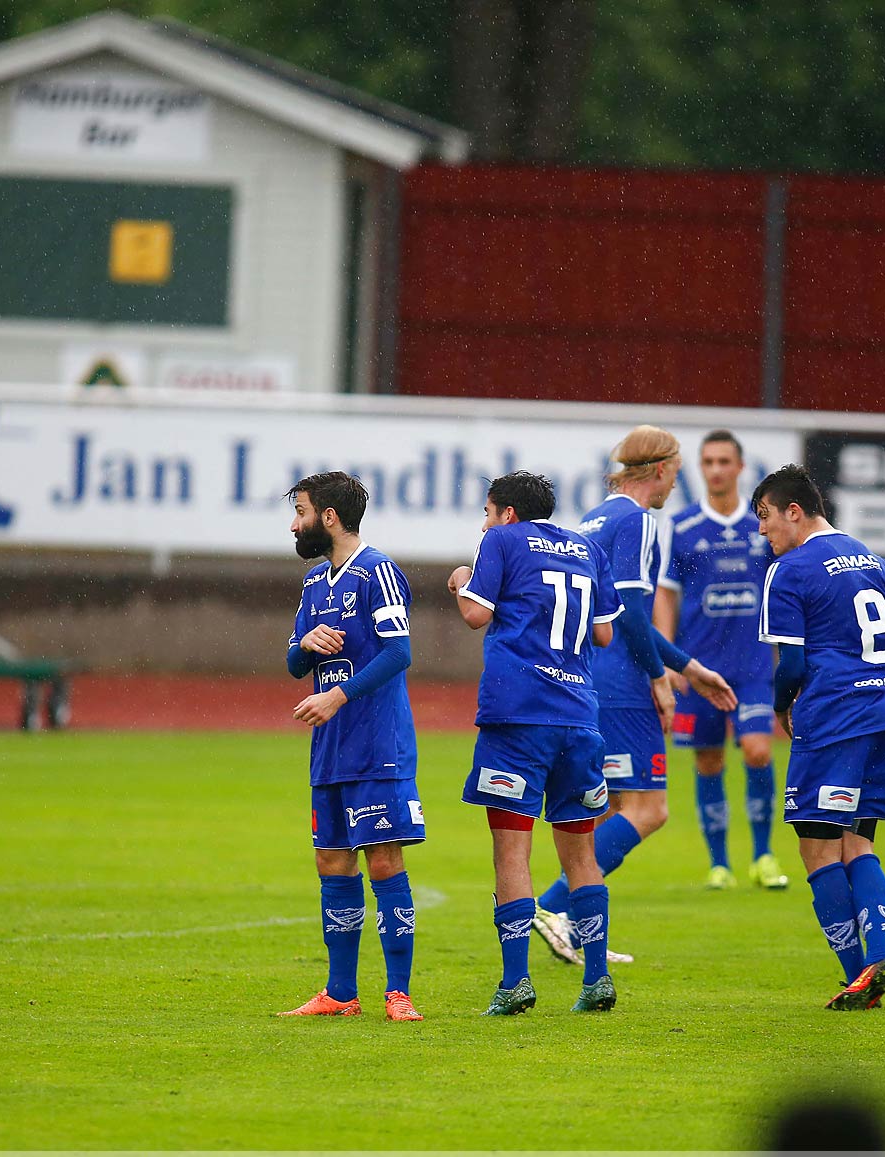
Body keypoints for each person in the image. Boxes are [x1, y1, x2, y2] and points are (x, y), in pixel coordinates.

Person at [531, 425, 738, 965]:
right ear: (664, 469)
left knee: (606, 809)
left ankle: (578, 930)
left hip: (583, 675)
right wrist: (660, 678)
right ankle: (552, 906)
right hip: (621, 683)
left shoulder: (592, 519)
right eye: (678, 471)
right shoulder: (639, 520)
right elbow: (629, 612)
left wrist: (689, 668)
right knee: (649, 809)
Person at [755, 464, 885, 1010]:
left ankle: (860, 975)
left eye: (765, 517)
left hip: (831, 721)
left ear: (794, 511)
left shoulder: (789, 570)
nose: (762, 531)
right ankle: (877, 962)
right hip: (884, 716)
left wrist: (783, 707)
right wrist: (870, 666)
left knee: (816, 851)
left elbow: (791, 664)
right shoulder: (872, 560)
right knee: (859, 843)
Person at [448, 471, 624, 1014]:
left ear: (506, 513)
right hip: (579, 717)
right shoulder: (587, 547)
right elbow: (603, 633)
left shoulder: (500, 541)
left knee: (512, 850)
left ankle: (515, 983)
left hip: (518, 716)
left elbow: (476, 615)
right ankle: (596, 980)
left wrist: (461, 581)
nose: (484, 522)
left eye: (487, 511)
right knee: (581, 851)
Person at [278, 471, 424, 1021]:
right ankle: (340, 993)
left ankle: (398, 993)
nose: (295, 524)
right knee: (331, 861)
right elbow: (294, 662)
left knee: (384, 860)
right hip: (330, 750)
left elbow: (398, 653)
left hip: (377, 747)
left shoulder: (378, 572)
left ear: (329, 517)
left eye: (301, 511)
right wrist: (307, 646)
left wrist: (337, 695)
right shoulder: (315, 583)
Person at [655, 429, 789, 891]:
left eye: (723, 461)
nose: (715, 470)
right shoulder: (683, 527)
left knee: (757, 750)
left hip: (753, 667)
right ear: (701, 468)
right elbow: (666, 597)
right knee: (709, 762)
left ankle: (764, 854)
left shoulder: (764, 527)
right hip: (699, 667)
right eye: (707, 462)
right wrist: (670, 658)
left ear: (740, 467)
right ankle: (719, 864)